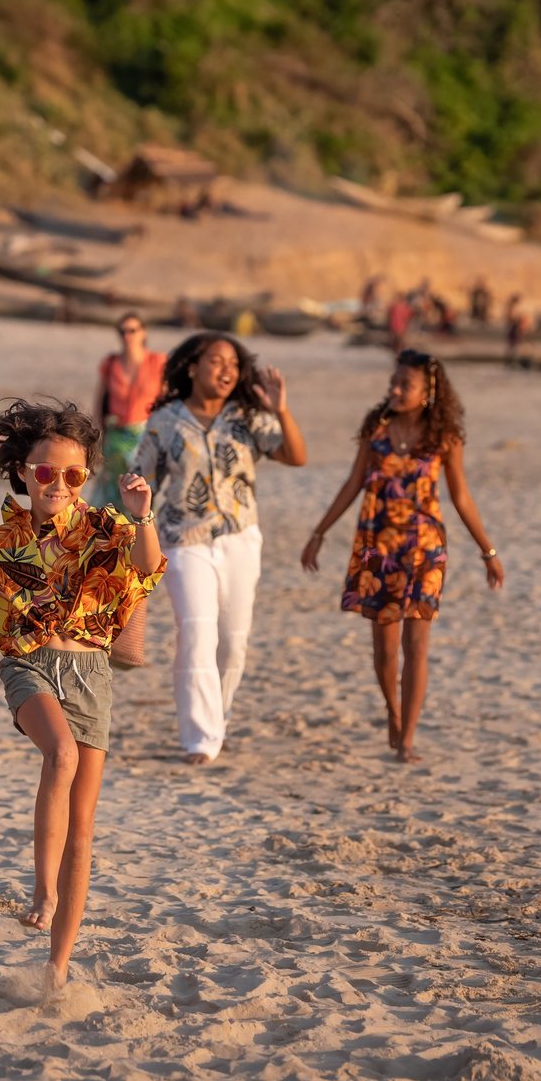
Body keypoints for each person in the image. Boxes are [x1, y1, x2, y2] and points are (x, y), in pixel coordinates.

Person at [0, 400, 163, 987]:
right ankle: (42, 890)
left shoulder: (109, 528)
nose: (58, 483)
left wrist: (142, 515)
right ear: (24, 472)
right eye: (46, 472)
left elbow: (150, 570)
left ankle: (57, 964)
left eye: (72, 474)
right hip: (29, 665)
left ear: (85, 477)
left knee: (83, 826)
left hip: (91, 676)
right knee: (62, 754)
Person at [301, 351, 503, 763]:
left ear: (428, 391)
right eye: (392, 383)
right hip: (377, 547)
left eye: (403, 385)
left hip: (425, 551)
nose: (394, 390)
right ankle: (392, 713)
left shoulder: (444, 437)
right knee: (384, 651)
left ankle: (407, 738)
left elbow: (461, 497)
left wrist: (488, 551)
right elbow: (353, 482)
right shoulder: (376, 429)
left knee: (416, 645)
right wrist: (319, 532)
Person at [130, 333, 308, 764]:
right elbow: (140, 478)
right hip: (183, 539)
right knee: (196, 632)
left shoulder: (249, 416)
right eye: (216, 361)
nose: (226, 370)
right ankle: (200, 739)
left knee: (233, 641)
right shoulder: (165, 419)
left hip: (239, 537)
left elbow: (295, 456)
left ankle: (217, 719)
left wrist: (280, 408)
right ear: (192, 367)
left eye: (233, 363)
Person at [92, 311, 166, 509]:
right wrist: (97, 436)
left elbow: (166, 402)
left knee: (141, 487)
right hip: (116, 435)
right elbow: (99, 401)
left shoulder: (157, 362)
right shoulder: (111, 364)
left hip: (145, 434)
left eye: (133, 330)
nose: (128, 336)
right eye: (123, 331)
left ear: (143, 333)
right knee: (112, 489)